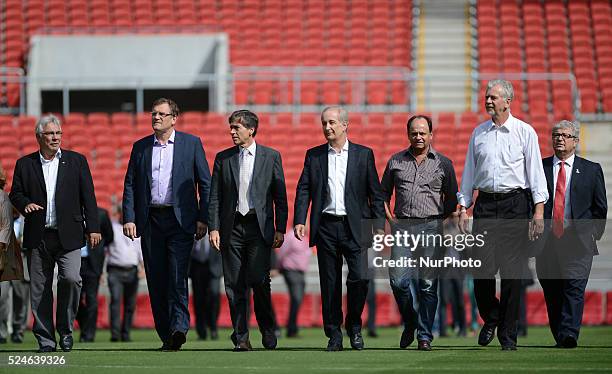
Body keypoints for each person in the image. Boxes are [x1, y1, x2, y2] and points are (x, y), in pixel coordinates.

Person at [457, 79, 548, 351]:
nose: (488, 101)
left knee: (512, 275)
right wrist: (464, 207)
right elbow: (469, 174)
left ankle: (508, 336)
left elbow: (535, 174)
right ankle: (492, 316)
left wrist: (538, 211)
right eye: (486, 96)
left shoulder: (525, 132)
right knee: (481, 271)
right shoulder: (479, 133)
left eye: (493, 97)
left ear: (508, 101)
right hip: (485, 206)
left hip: (515, 206)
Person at [122, 98, 211, 351]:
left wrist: (204, 218)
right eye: (153, 114)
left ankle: (179, 327)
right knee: (156, 279)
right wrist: (129, 217)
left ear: (174, 118)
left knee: (177, 276)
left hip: (180, 220)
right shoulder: (140, 147)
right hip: (150, 221)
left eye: (162, 114)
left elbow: (205, 183)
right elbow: (130, 184)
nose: (156, 118)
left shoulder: (191, 144)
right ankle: (166, 333)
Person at [294, 106, 385, 351]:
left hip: (356, 227)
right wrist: (300, 219)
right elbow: (304, 188)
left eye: (332, 122)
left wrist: (377, 226)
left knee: (360, 278)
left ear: (345, 125)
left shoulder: (364, 155)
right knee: (330, 284)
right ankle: (334, 334)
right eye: (324, 123)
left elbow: (375, 194)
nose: (327, 127)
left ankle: (354, 325)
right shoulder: (313, 155)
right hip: (325, 227)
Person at [9, 114, 101, 353]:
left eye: (58, 133)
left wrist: (93, 227)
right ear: (39, 136)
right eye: (50, 133)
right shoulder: (25, 164)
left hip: (69, 235)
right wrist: (25, 204)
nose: (55, 137)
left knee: (71, 279)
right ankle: (46, 340)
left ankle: (66, 330)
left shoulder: (77, 161)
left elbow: (88, 197)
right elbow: (15, 193)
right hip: (38, 236)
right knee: (40, 290)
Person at [208, 109, 288, 351]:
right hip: (231, 228)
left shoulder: (271, 156)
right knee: (234, 284)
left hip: (259, 227)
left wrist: (280, 228)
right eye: (231, 127)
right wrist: (213, 228)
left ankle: (267, 327)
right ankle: (241, 337)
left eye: (237, 127)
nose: (232, 131)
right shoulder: (223, 158)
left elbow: (280, 197)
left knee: (258, 280)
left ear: (251, 129)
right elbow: (215, 198)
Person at [381, 114, 458, 351]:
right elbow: (382, 195)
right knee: (398, 281)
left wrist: (439, 222)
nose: (418, 136)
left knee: (427, 285)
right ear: (408, 134)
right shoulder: (395, 161)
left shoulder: (444, 163)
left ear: (431, 135)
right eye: (414, 132)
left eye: (423, 132)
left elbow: (452, 197)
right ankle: (411, 320)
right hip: (403, 227)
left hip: (431, 228)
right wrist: (391, 221)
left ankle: (424, 335)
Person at [536, 120, 607, 348]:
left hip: (578, 239)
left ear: (575, 141)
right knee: (552, 289)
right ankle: (560, 333)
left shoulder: (591, 169)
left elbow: (600, 208)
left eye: (565, 135)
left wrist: (593, 233)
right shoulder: (540, 167)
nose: (559, 139)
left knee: (574, 287)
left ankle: (569, 334)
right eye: (556, 135)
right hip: (547, 240)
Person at [76, 207, 113, 342]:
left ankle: (88, 334)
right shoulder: (72, 210)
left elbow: (109, 237)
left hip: (93, 263)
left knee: (91, 298)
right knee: (76, 300)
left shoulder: (102, 214)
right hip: (75, 262)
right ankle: (83, 326)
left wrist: (97, 246)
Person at [106, 211, 143, 342]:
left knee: (130, 304)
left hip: (132, 270)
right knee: (115, 301)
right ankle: (115, 334)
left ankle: (126, 333)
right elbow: (106, 248)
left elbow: (140, 249)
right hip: (115, 270)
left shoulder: (137, 227)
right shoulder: (113, 228)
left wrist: (142, 267)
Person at [0, 210, 30, 344]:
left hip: (21, 264)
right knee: (2, 298)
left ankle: (18, 331)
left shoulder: (28, 221)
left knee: (21, 300)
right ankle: (2, 332)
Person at [277, 232, 311, 338]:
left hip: (300, 271)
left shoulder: (304, 237)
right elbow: (282, 252)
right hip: (291, 269)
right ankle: (291, 328)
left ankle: (292, 327)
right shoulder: (291, 236)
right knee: (296, 298)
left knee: (297, 300)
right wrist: (278, 266)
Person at [189, 234, 222, 341]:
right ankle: (201, 331)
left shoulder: (217, 222)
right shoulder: (193, 223)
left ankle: (213, 327)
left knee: (214, 295)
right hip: (197, 265)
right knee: (198, 299)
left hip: (214, 265)